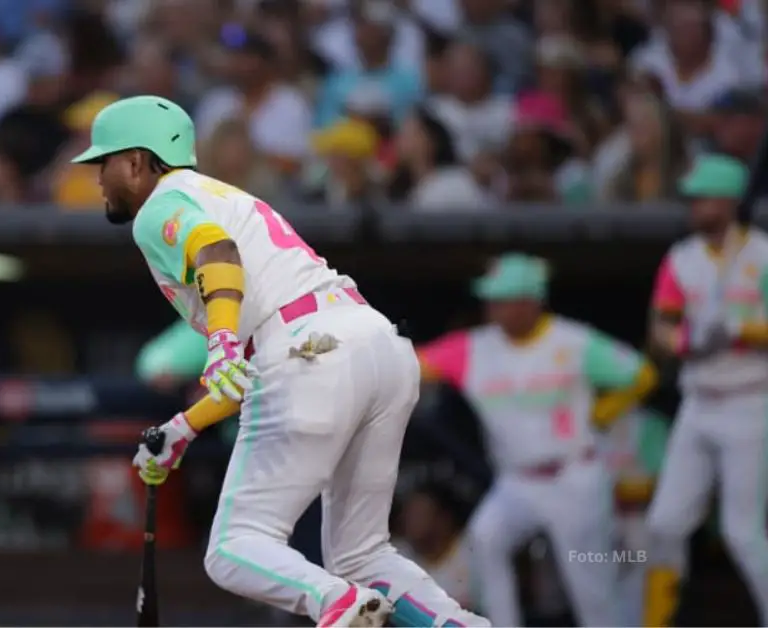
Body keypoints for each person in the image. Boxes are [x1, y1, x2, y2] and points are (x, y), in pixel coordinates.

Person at [70, 94, 488, 628]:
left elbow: (217, 253)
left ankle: (337, 605)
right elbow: (254, 366)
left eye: (102, 162)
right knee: (361, 557)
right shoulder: (219, 194)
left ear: (135, 161)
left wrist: (219, 340)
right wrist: (184, 427)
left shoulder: (160, 205)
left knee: (234, 548)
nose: (97, 177)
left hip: (307, 349)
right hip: (374, 343)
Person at [418, 252, 658, 626]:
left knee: (591, 586)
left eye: (504, 301)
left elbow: (641, 375)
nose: (494, 309)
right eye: (491, 300)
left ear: (530, 302)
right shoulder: (475, 347)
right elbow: (416, 364)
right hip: (517, 482)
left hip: (573, 476)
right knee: (486, 538)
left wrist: (602, 413)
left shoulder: (572, 341)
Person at [644, 154, 768, 627]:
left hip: (750, 400)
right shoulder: (683, 258)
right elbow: (660, 324)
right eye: (693, 199)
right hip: (699, 401)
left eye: (705, 198)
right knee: (664, 523)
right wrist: (684, 341)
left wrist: (743, 331)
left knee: (742, 533)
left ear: (728, 201)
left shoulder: (760, 254)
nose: (696, 206)